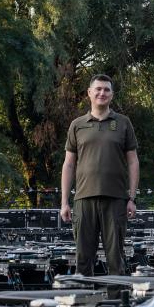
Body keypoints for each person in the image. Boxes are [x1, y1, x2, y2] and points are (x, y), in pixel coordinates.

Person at [60, 74, 139, 280]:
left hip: (116, 199)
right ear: (89, 93)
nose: (102, 93)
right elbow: (68, 164)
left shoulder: (123, 123)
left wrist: (132, 198)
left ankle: (117, 305)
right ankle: (84, 305)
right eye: (98, 89)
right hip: (84, 200)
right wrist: (64, 202)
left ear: (112, 95)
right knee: (83, 259)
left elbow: (133, 162)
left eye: (106, 90)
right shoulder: (77, 124)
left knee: (115, 258)